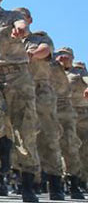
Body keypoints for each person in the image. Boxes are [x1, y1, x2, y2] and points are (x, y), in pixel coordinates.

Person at [0, 0, 40, 202]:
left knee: (24, 128)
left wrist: (22, 30)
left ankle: (28, 184)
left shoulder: (12, 16)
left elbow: (21, 23)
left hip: (17, 76)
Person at [15, 7, 66, 200]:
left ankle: (55, 183)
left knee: (49, 136)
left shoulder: (39, 37)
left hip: (40, 90)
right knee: (23, 135)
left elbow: (46, 51)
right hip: (16, 88)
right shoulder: (7, 36)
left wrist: (30, 55)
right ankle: (27, 181)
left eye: (23, 17)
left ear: (30, 19)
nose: (20, 20)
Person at [52, 48, 84, 199]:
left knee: (70, 146)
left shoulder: (78, 73)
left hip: (66, 109)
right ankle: (55, 183)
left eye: (67, 55)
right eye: (60, 54)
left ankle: (74, 182)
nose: (63, 57)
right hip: (47, 107)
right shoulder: (48, 66)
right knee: (50, 146)